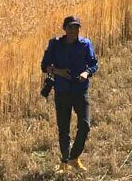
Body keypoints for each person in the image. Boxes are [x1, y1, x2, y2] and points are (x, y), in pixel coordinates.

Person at [41, 16, 99, 174]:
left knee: (85, 125)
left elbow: (94, 64)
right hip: (62, 91)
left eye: (77, 28)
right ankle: (65, 162)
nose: (74, 31)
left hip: (80, 90)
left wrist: (86, 73)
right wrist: (59, 71)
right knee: (64, 129)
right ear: (64, 29)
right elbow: (44, 66)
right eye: (71, 28)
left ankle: (74, 157)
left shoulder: (86, 44)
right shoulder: (55, 44)